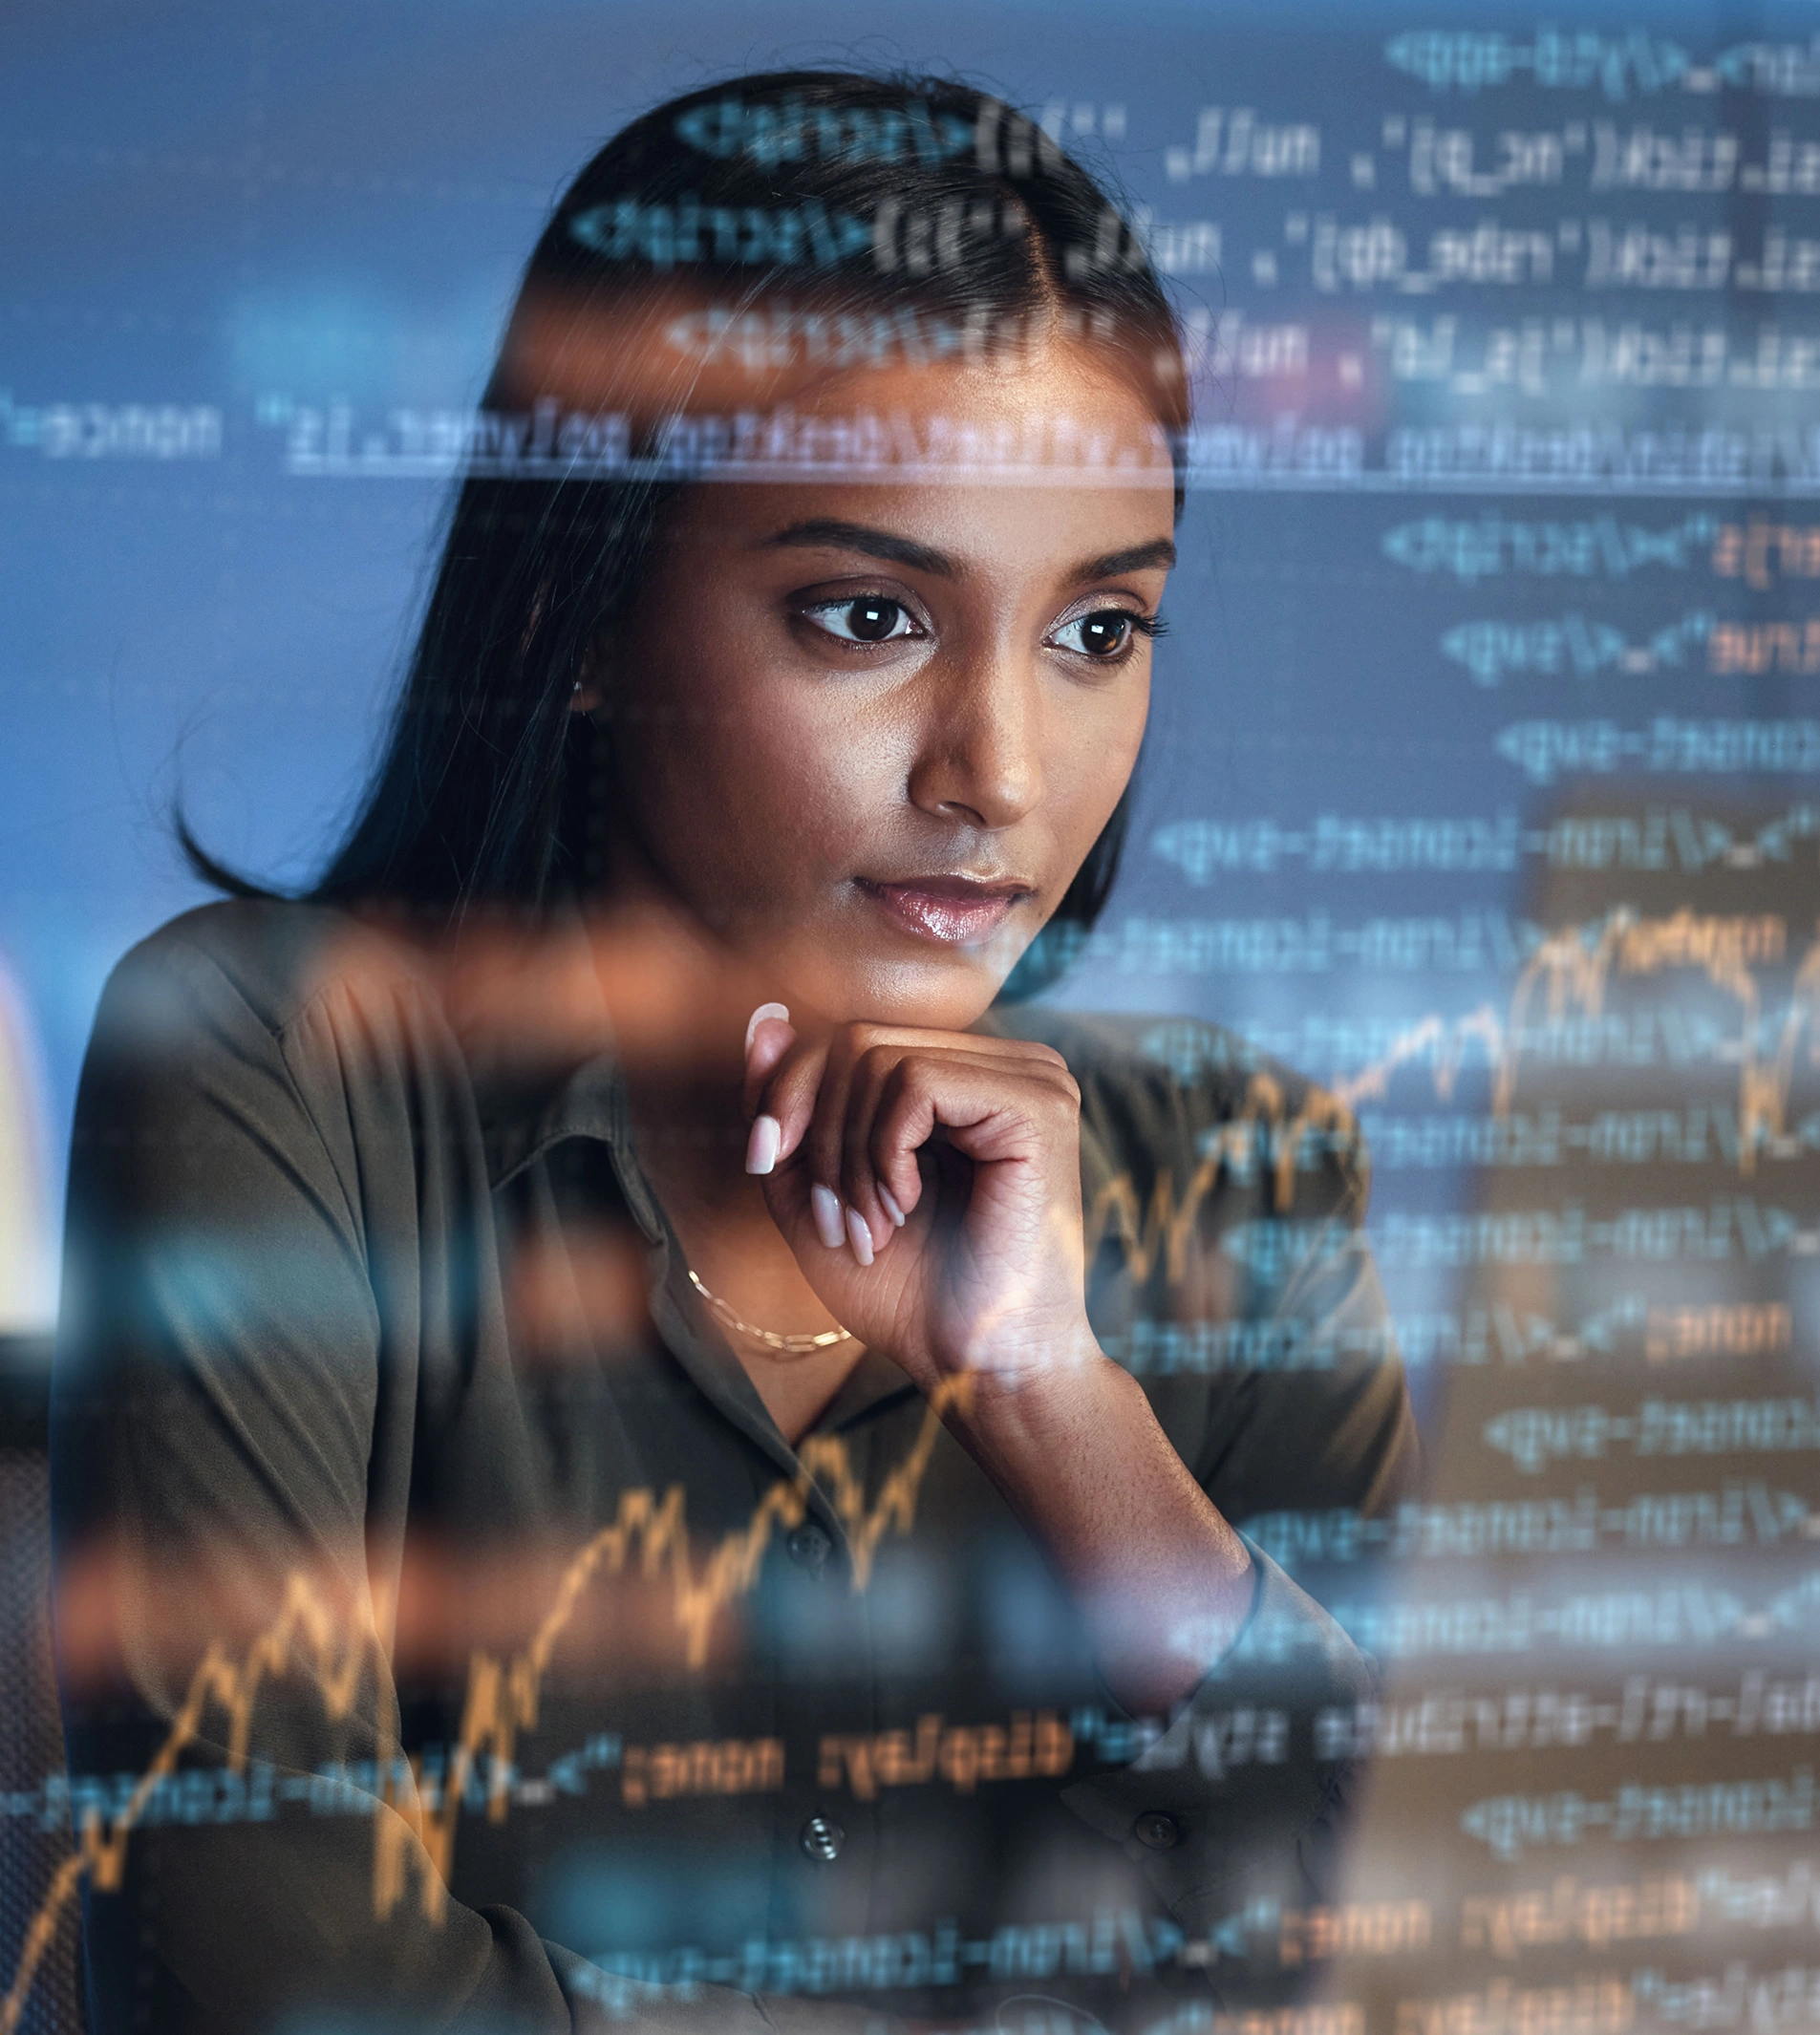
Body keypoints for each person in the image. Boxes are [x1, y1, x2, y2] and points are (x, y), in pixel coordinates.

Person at [49, 69, 1418, 2035]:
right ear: (582, 602)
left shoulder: (1238, 1167)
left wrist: (1058, 1404)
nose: (1004, 778)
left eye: (1098, 633)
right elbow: (275, 1997)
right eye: (867, 614)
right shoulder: (282, 1062)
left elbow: (1413, 1956)